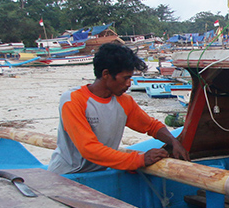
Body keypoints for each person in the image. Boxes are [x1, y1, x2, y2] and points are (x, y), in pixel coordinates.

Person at [47, 43, 190, 174]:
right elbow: (88, 149)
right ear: (106, 74)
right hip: (67, 174)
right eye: (125, 78)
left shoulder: (124, 101)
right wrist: (139, 159)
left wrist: (174, 142)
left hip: (98, 172)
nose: (129, 84)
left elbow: (151, 126)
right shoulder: (73, 100)